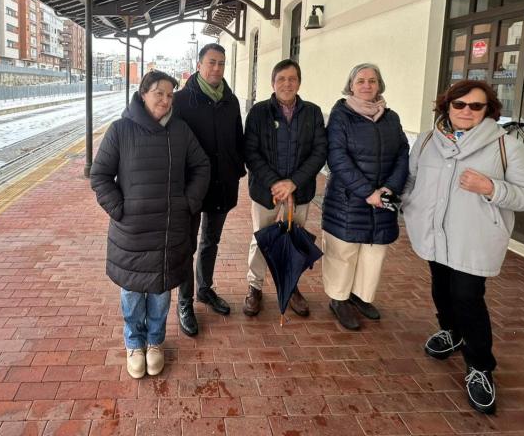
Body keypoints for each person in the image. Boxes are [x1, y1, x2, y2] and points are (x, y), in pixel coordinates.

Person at [402, 80, 524, 415]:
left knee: (467, 296)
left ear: (488, 110)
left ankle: (480, 366)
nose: (466, 111)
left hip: (475, 238)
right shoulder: (427, 140)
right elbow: (411, 179)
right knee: (441, 288)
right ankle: (450, 331)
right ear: (447, 107)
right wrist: (407, 204)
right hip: (435, 234)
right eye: (459, 105)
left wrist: (491, 187)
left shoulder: (506, 146)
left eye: (476, 106)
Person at [90, 71, 210, 379]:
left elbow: (201, 166)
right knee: (132, 291)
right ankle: (134, 343)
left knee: (159, 291)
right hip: (132, 231)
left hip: (170, 229)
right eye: (159, 93)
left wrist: (189, 203)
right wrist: (119, 209)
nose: (166, 100)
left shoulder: (180, 131)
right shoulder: (120, 130)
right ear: (143, 93)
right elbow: (100, 175)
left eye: (170, 95)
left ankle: (155, 341)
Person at [321, 63, 409, 330]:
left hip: (382, 199)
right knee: (343, 252)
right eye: (361, 81)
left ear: (379, 84)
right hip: (348, 198)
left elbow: (403, 154)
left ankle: (361, 296)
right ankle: (338, 300)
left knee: (374, 252)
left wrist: (389, 188)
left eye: (372, 80)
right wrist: (367, 192)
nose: (367, 85)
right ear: (351, 85)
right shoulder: (341, 116)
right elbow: (337, 158)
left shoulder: (391, 118)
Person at [243, 59, 328, 317]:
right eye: (281, 79)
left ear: (299, 82)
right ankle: (254, 287)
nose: (287, 84)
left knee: (295, 239)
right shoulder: (259, 112)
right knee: (261, 239)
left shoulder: (312, 113)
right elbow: (251, 151)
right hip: (265, 191)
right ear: (273, 83)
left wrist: (293, 182)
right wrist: (275, 183)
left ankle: (291, 286)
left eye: (292, 79)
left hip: (299, 191)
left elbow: (319, 152)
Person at [172, 43, 246, 336]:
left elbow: (238, 140)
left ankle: (205, 289)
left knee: (210, 241)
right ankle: (185, 301)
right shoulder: (181, 101)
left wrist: (237, 171)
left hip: (222, 184)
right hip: (190, 187)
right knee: (187, 246)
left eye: (221, 64)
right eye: (211, 62)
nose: (217, 68)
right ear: (200, 65)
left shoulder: (231, 101)